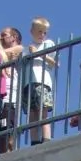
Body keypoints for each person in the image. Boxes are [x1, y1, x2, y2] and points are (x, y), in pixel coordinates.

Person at [22, 17, 56, 145]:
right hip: (28, 83)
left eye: (44, 32)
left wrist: (38, 54)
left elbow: (55, 63)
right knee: (32, 113)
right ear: (32, 31)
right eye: (39, 31)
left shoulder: (48, 44)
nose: (42, 35)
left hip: (42, 81)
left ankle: (46, 139)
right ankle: (34, 141)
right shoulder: (26, 49)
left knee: (43, 111)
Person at [0, 26, 25, 153]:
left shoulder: (19, 48)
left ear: (14, 37)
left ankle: (9, 155)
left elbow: (1, 53)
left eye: (4, 34)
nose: (1, 37)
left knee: (7, 129)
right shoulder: (0, 54)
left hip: (10, 99)